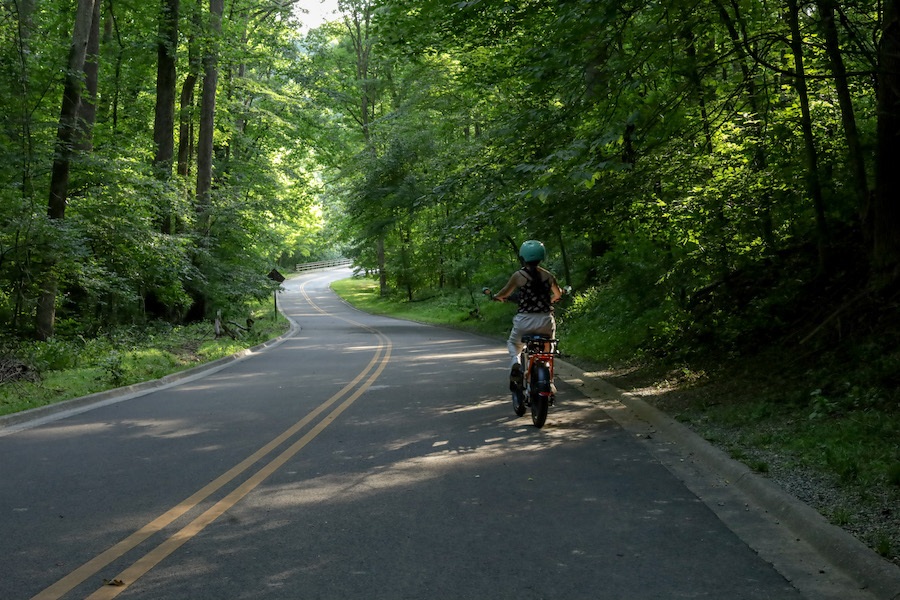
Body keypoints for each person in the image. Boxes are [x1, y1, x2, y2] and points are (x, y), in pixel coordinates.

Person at [491, 240, 563, 389]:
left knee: (514, 344)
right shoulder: (548, 276)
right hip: (545, 321)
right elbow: (558, 294)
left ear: (523, 257)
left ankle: (516, 362)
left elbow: (505, 292)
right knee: (547, 349)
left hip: (524, 321)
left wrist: (497, 296)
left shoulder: (518, 276)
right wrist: (551, 299)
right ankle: (549, 381)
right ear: (541, 257)